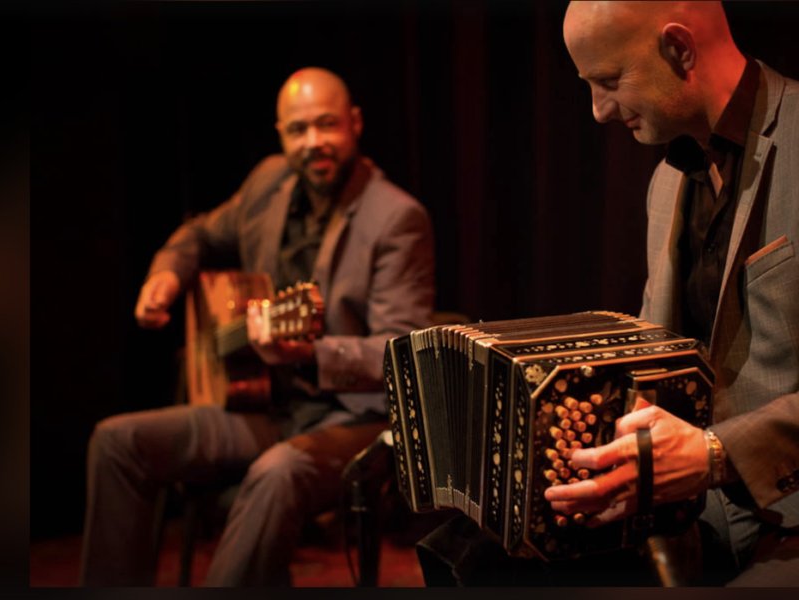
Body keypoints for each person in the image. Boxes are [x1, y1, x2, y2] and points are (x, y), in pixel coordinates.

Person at [417, 1, 798, 586]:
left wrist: (716, 453)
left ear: (680, 49)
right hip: (696, 501)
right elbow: (656, 362)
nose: (597, 112)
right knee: (476, 553)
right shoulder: (667, 181)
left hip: (784, 506)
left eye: (608, 81)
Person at [79, 67, 436, 586]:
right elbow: (199, 233)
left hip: (355, 422)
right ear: (281, 134)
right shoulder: (268, 183)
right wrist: (166, 276)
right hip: (267, 404)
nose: (313, 142)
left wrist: (308, 355)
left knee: (277, 472)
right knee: (117, 441)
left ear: (355, 123)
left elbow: (399, 356)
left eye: (327, 125)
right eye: (298, 130)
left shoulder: (396, 217)